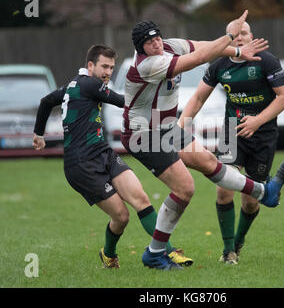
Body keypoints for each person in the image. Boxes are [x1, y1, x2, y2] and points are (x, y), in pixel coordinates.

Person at [121, 10, 284, 270]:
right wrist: (232, 40)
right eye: (148, 42)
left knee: (208, 162)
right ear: (140, 49)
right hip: (144, 134)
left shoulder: (168, 46)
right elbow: (199, 58)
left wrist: (233, 50)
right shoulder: (147, 65)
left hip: (165, 127)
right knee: (185, 188)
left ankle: (264, 192)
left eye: (157, 39)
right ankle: (154, 254)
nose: (156, 44)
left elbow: (201, 46)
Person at [33, 44, 193, 269]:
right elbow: (124, 102)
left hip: (102, 152)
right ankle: (108, 254)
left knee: (142, 199)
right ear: (90, 66)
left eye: (111, 67)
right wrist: (156, 93)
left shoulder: (74, 85)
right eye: (104, 67)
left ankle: (168, 251)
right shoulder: (91, 84)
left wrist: (38, 133)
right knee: (121, 217)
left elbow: (46, 101)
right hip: (81, 165)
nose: (108, 72)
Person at [178, 20, 284, 264]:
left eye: (244, 33)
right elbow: (198, 98)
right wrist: (177, 129)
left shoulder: (267, 61)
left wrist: (257, 121)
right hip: (232, 132)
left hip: (263, 135)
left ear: (252, 36)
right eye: (235, 34)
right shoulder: (219, 64)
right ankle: (228, 251)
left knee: (251, 202)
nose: (240, 38)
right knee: (223, 190)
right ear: (228, 38)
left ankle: (239, 242)